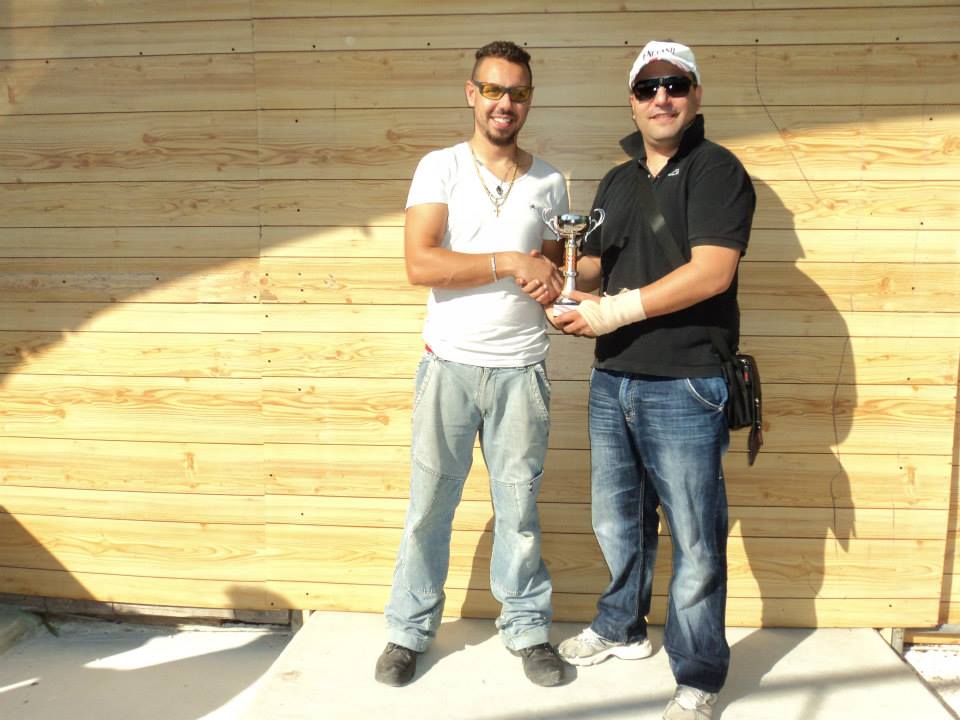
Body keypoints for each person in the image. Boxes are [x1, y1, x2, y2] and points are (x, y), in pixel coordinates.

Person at [552, 41, 755, 719]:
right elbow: (593, 267)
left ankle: (698, 674)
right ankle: (622, 627)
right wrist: (558, 279)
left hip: (686, 382)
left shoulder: (717, 170)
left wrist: (612, 311)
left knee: (695, 539)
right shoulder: (618, 181)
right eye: (647, 87)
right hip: (614, 377)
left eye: (674, 84)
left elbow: (711, 273)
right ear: (632, 102)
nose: (661, 98)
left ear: (695, 95)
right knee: (618, 521)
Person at [374, 40, 571, 688]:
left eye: (517, 92)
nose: (504, 103)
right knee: (429, 507)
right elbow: (420, 263)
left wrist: (565, 291)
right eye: (493, 89)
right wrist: (508, 262)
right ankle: (408, 631)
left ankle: (528, 630)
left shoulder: (550, 182)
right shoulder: (440, 168)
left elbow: (552, 273)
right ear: (471, 93)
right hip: (450, 368)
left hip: (523, 370)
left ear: (529, 100)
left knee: (519, 511)